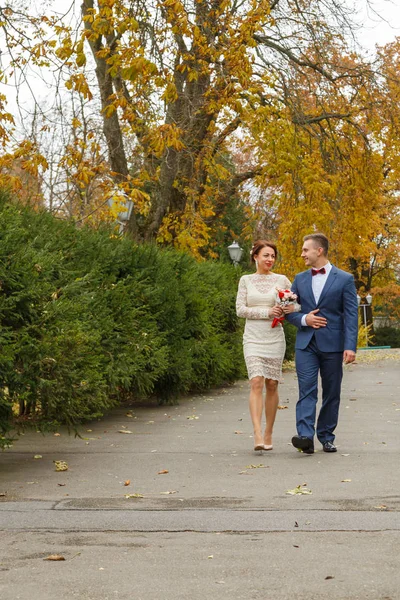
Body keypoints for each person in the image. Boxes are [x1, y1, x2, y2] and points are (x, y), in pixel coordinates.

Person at [284, 233, 358, 454]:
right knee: (306, 389)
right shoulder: (299, 278)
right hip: (306, 344)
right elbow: (290, 311)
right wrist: (305, 319)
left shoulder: (345, 279)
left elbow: (351, 315)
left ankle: (326, 436)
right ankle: (305, 436)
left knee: (331, 392)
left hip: (333, 344)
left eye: (305, 250)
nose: (302, 254)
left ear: (319, 250)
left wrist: (350, 346)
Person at [236, 240, 297, 453]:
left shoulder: (281, 280)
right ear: (255, 256)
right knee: (256, 382)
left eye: (272, 256)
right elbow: (240, 309)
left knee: (272, 384)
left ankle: (269, 431)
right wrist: (266, 312)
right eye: (266, 255)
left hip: (274, 338)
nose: (270, 259)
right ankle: (257, 433)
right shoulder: (245, 280)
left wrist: (286, 308)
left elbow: (296, 304)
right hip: (252, 338)